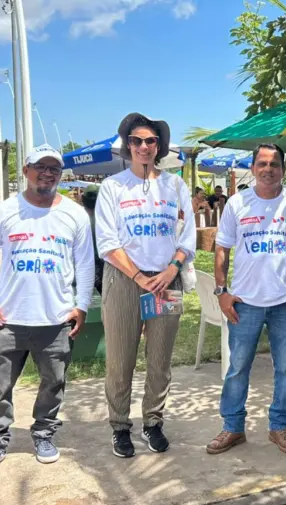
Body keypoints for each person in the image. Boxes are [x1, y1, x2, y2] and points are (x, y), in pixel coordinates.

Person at [0, 144, 94, 477]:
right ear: (26, 171)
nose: (47, 173)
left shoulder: (74, 214)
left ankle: (43, 434)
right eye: (40, 166)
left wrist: (81, 305)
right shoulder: (4, 211)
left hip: (55, 320)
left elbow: (84, 265)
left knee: (53, 384)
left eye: (54, 168)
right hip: (8, 320)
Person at [95, 113, 196, 459]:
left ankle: (153, 421)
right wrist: (139, 277)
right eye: (136, 141)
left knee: (160, 359)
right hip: (125, 280)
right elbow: (107, 242)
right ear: (128, 146)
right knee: (120, 359)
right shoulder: (113, 187)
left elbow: (188, 237)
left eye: (150, 141)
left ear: (158, 147)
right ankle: (120, 425)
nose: (143, 146)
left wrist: (171, 270)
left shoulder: (175, 186)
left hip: (166, 281)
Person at [206, 143, 286, 456]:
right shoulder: (238, 203)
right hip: (245, 303)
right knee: (238, 368)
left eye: (275, 164)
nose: (268, 169)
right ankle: (233, 427)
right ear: (253, 168)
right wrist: (221, 292)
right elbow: (222, 248)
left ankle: (279, 426)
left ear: (283, 168)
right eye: (262, 163)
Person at [80, 184, 104, 295]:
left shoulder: (78, 222)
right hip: (108, 266)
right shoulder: (110, 221)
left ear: (83, 200)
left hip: (87, 268)